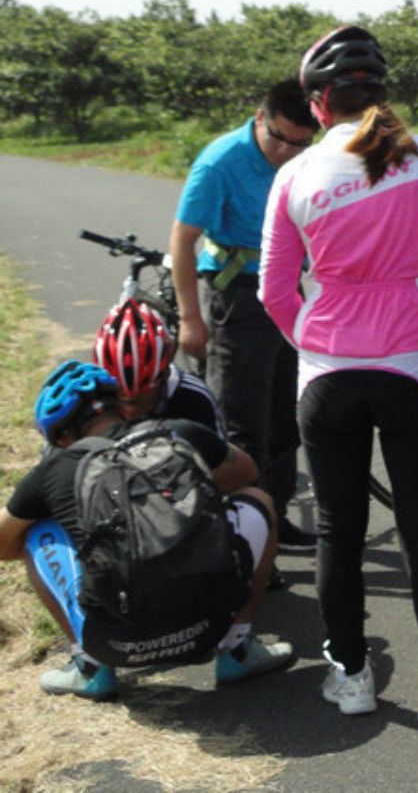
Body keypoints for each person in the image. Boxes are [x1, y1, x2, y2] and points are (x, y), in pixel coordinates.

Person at [260, 25, 418, 724]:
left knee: (339, 528)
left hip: (326, 374)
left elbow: (273, 291)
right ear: (382, 93)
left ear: (317, 104)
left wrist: (308, 339)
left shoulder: (296, 174)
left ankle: (352, 678)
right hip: (411, 369)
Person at [0, 360, 293, 700]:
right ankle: (237, 649)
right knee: (257, 499)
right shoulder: (176, 431)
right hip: (206, 625)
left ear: (63, 435)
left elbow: (4, 545)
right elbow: (245, 471)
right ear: (119, 406)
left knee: (37, 533)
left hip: (116, 641)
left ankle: (91, 668)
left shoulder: (52, 471)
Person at [170, 79, 319, 551]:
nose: (286, 151)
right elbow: (182, 240)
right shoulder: (220, 162)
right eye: (278, 137)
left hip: (286, 295)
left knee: (285, 419)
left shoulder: (304, 158)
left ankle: (273, 522)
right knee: (240, 426)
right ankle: (241, 543)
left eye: (299, 142)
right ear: (260, 118)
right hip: (236, 296)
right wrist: (190, 318)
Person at [93, 298, 226, 437]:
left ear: (164, 375)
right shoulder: (88, 402)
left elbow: (224, 456)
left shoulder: (195, 399)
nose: (130, 413)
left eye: (140, 401)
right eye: (120, 400)